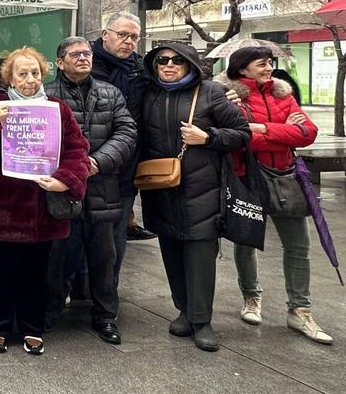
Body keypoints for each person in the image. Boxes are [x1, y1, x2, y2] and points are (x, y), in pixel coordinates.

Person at [0, 47, 90, 355]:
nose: (30, 79)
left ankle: (32, 326)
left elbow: (78, 150)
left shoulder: (57, 109)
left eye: (35, 73)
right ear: (8, 76)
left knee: (38, 272)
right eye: (22, 73)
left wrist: (65, 179)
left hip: (41, 208)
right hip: (1, 207)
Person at [138, 42, 249, 352]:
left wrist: (208, 137)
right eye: (162, 60)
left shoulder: (211, 92)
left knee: (200, 255)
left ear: (190, 64)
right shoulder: (150, 94)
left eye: (177, 60)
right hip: (161, 188)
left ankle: (203, 320)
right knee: (171, 251)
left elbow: (242, 133)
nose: (169, 65)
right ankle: (184, 311)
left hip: (202, 190)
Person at [217, 47, 331, 344]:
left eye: (269, 63)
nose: (268, 68)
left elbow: (307, 133)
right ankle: (251, 297)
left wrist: (263, 127)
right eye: (261, 64)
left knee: (298, 245)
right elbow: (241, 137)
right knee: (247, 241)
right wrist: (280, 130)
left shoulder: (283, 94)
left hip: (287, 177)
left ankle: (300, 309)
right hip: (249, 179)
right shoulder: (230, 96)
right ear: (243, 69)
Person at [44, 37, 138, 344]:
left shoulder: (110, 93)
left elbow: (127, 132)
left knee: (103, 259)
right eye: (75, 54)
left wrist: (97, 161)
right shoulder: (46, 96)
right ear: (60, 62)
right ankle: (51, 309)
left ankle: (105, 316)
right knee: (59, 258)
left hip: (102, 188)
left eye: (87, 53)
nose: (84, 58)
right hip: (62, 191)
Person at [90, 12, 157, 249]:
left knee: (118, 234)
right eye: (123, 35)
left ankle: (111, 285)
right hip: (92, 161)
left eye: (134, 37)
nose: (128, 41)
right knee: (90, 235)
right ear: (105, 34)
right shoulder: (84, 63)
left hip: (129, 161)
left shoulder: (141, 68)